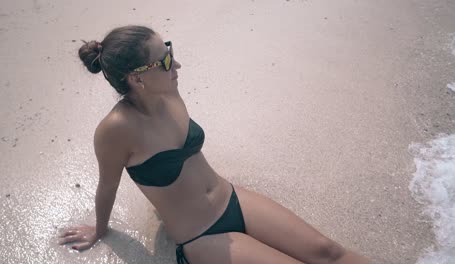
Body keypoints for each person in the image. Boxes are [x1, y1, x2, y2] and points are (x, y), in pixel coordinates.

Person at [59, 25, 372, 264]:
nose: (176, 64)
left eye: (169, 50)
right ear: (137, 80)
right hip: (201, 236)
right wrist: (99, 230)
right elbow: (107, 186)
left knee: (326, 251)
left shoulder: (169, 93)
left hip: (232, 198)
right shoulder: (115, 130)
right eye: (165, 60)